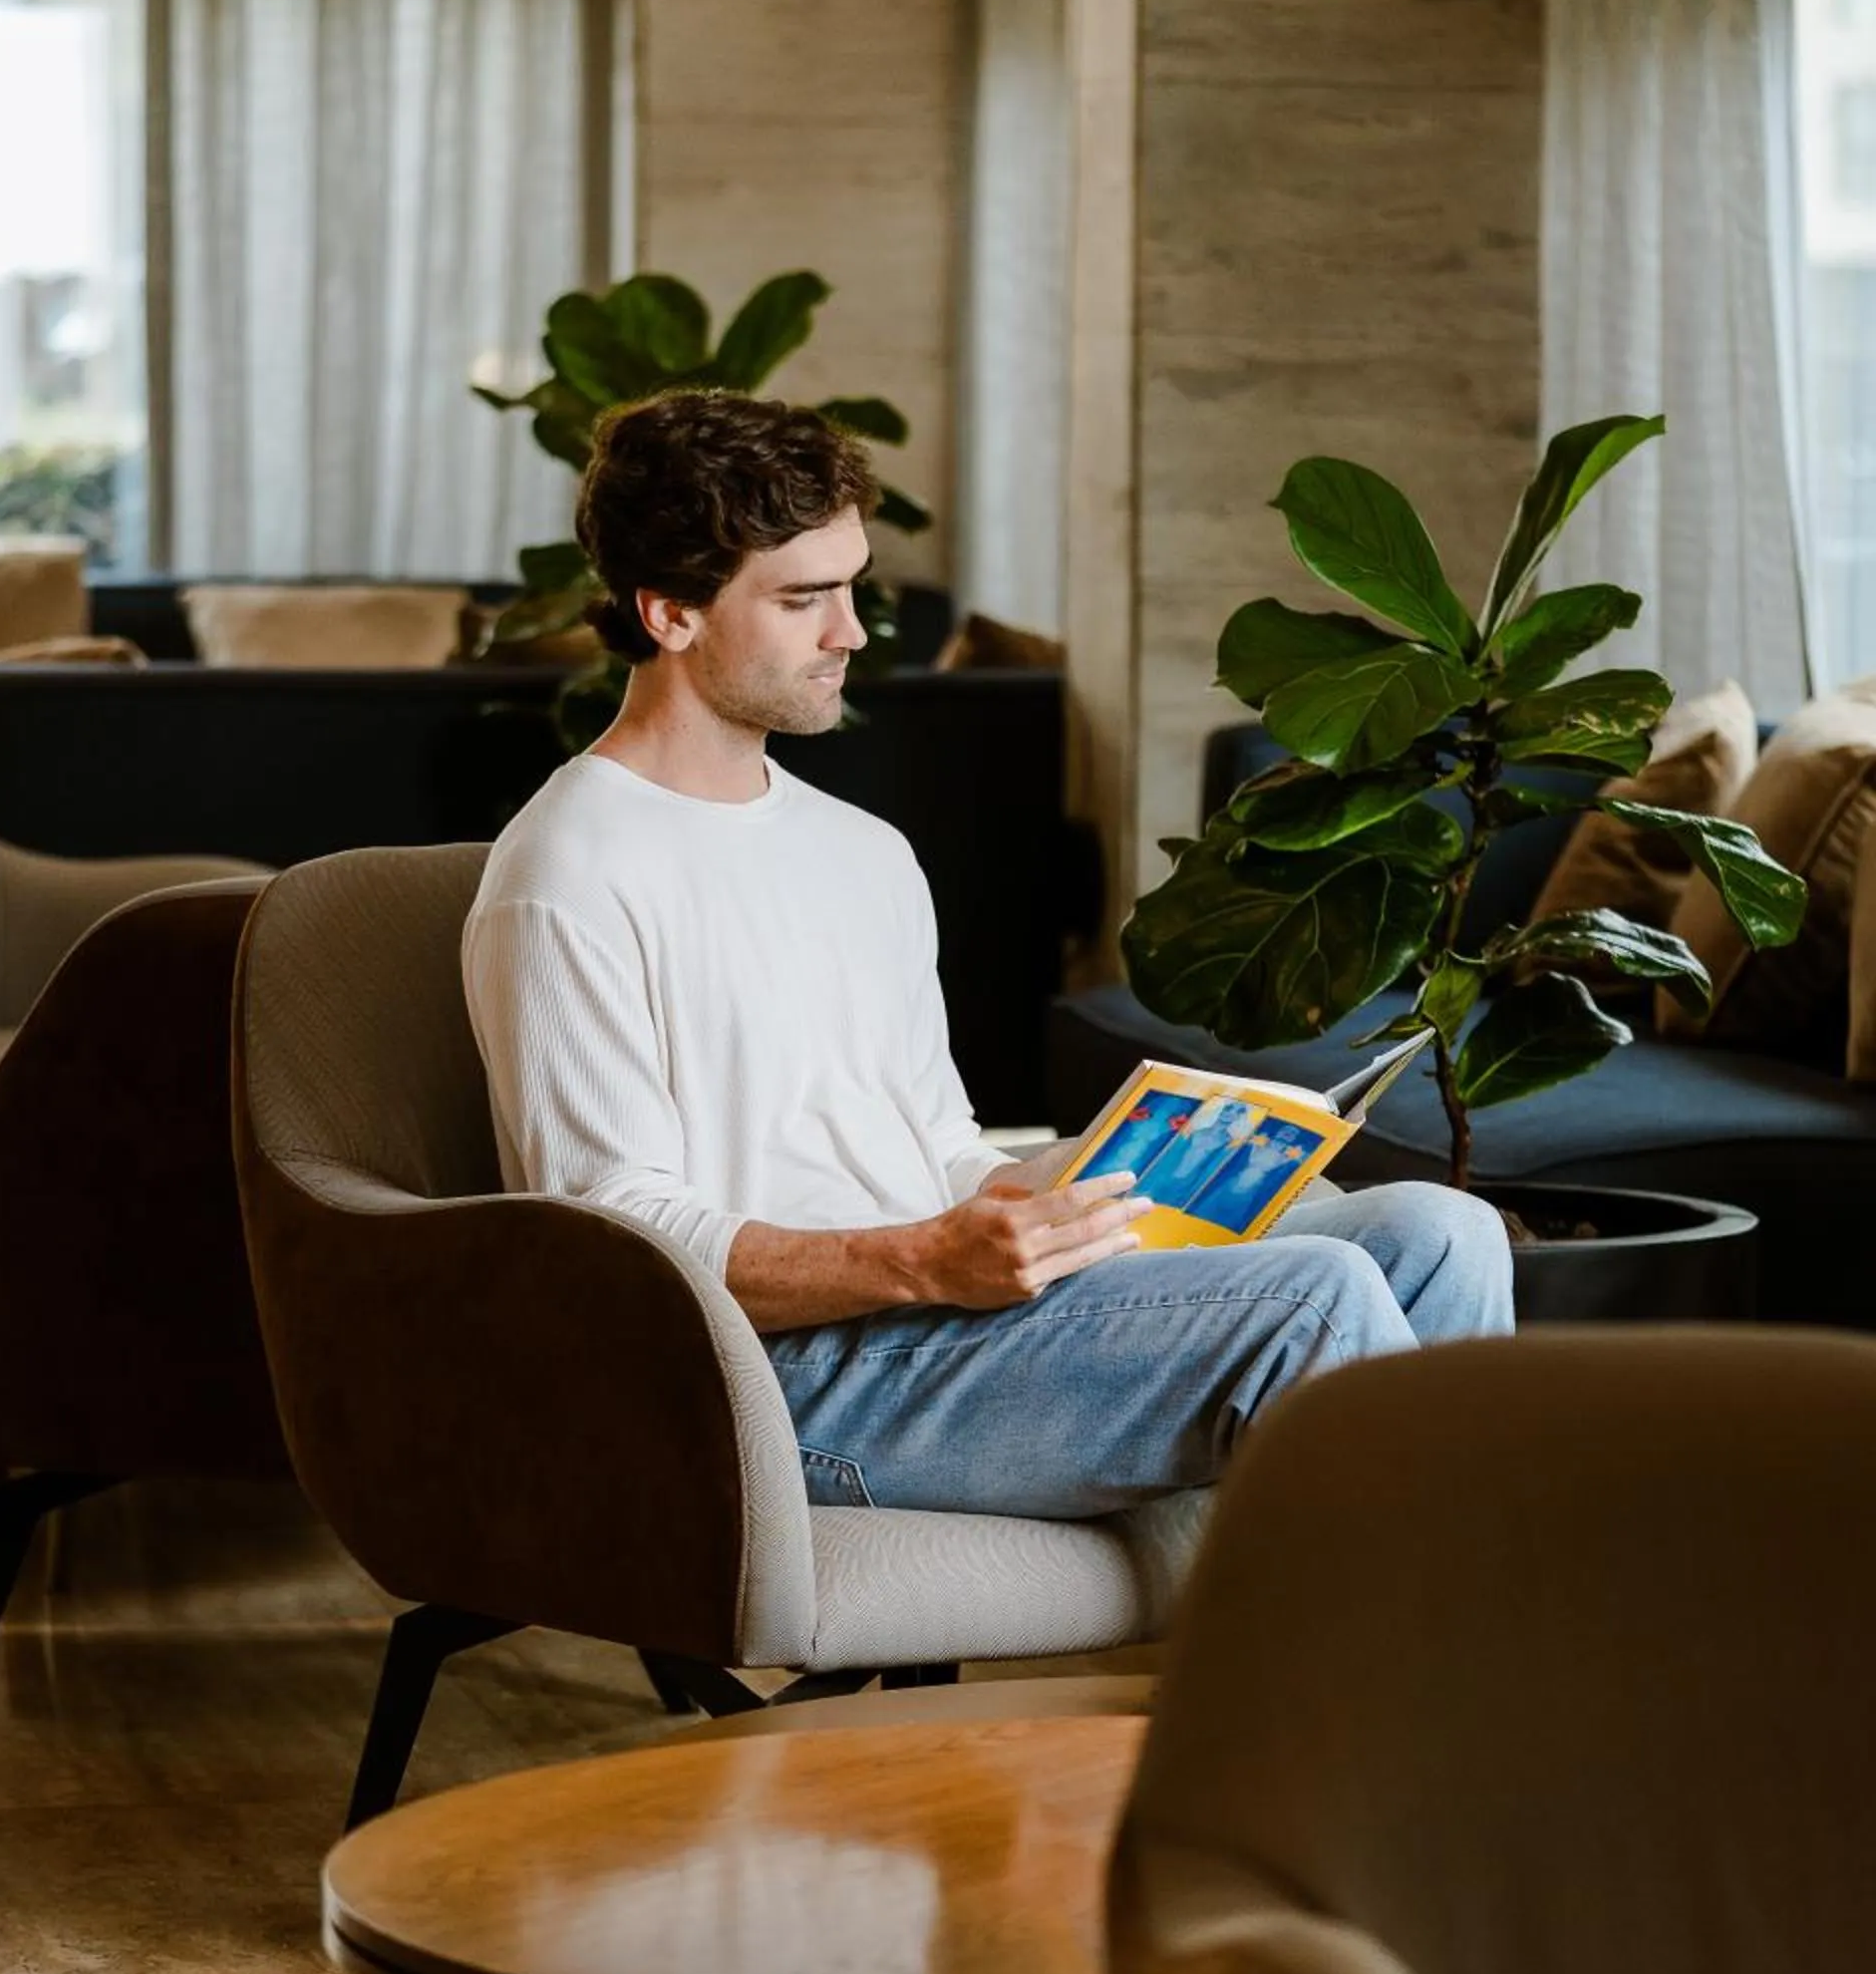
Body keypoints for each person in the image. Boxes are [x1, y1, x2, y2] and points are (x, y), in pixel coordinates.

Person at [462, 389, 1512, 1519]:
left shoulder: (859, 852)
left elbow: (942, 1156)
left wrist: (1128, 1171)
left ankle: (1407, 1639)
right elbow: (619, 1242)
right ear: (668, 614)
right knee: (1312, 1298)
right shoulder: (568, 875)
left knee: (1436, 1231)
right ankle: (1394, 1666)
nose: (851, 633)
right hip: (782, 1377)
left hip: (940, 1312)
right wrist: (922, 1261)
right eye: (803, 600)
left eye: (852, 587)